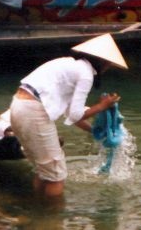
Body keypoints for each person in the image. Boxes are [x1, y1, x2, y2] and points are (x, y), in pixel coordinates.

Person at [9, 33, 128, 201]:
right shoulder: (85, 73)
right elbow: (75, 114)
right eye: (108, 64)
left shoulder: (68, 65)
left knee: (44, 170)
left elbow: (69, 113)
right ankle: (52, 219)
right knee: (56, 175)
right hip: (33, 111)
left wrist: (94, 131)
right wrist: (102, 106)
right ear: (102, 62)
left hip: (18, 107)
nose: (108, 68)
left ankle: (38, 208)